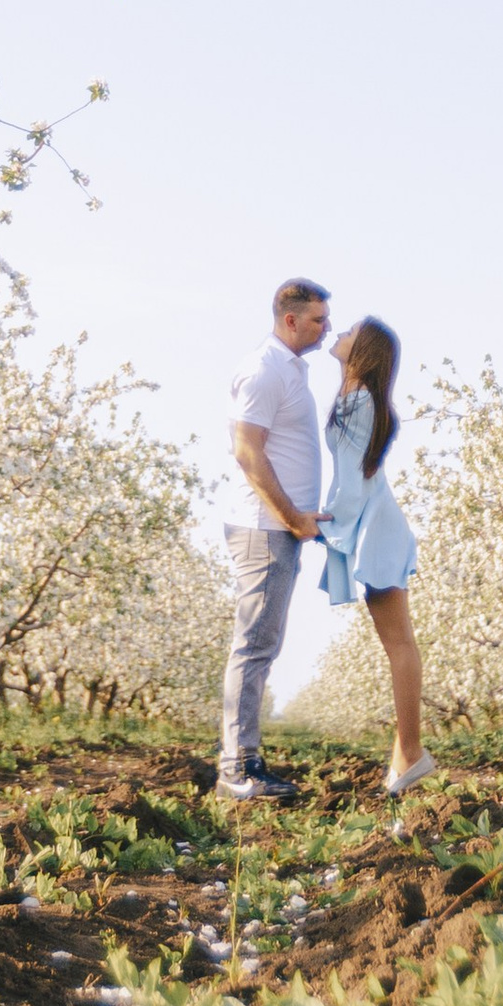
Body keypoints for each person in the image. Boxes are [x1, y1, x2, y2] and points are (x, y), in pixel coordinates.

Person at [221, 275, 330, 798]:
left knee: (262, 643)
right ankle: (238, 768)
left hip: (275, 528)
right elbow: (247, 450)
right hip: (264, 528)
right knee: (254, 645)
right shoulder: (265, 370)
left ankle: (244, 760)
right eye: (318, 320)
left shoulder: (288, 370)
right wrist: (291, 517)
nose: (326, 328)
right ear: (291, 319)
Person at [320, 316, 433, 793]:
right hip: (378, 525)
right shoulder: (359, 399)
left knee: (399, 645)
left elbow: (351, 483)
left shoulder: (358, 402)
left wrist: (323, 523)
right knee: (399, 644)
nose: (338, 334)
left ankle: (412, 752)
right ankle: (403, 756)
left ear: (363, 351)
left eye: (348, 333)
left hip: (376, 530)